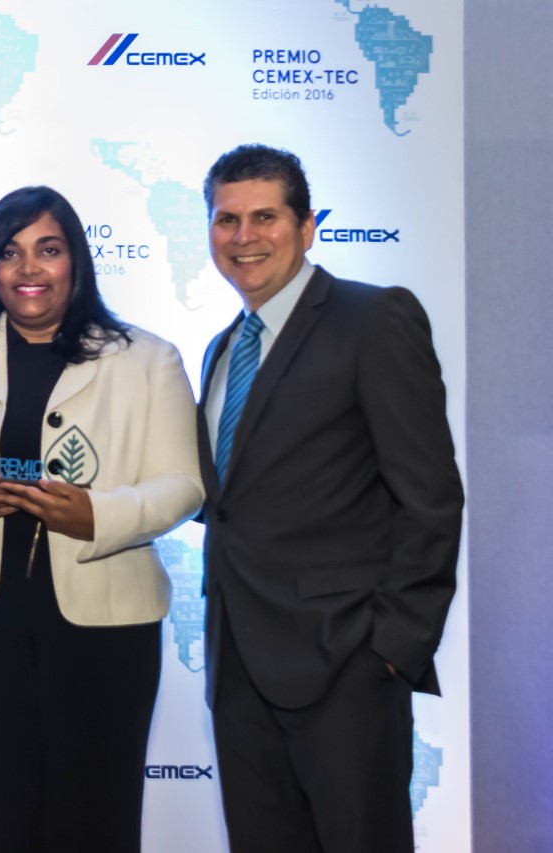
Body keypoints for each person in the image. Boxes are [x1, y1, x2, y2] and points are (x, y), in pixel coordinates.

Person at [0, 186, 204, 852]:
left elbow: (184, 485)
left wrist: (97, 514)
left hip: (106, 631)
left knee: (98, 821)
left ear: (76, 262)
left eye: (48, 249)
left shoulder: (147, 359)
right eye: (9, 253)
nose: (29, 268)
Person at [196, 143, 464, 853]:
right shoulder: (223, 348)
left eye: (265, 217)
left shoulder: (373, 318)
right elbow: (231, 499)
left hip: (346, 664)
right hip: (239, 670)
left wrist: (392, 648)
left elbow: (431, 497)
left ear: (307, 226)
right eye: (226, 219)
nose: (244, 236)